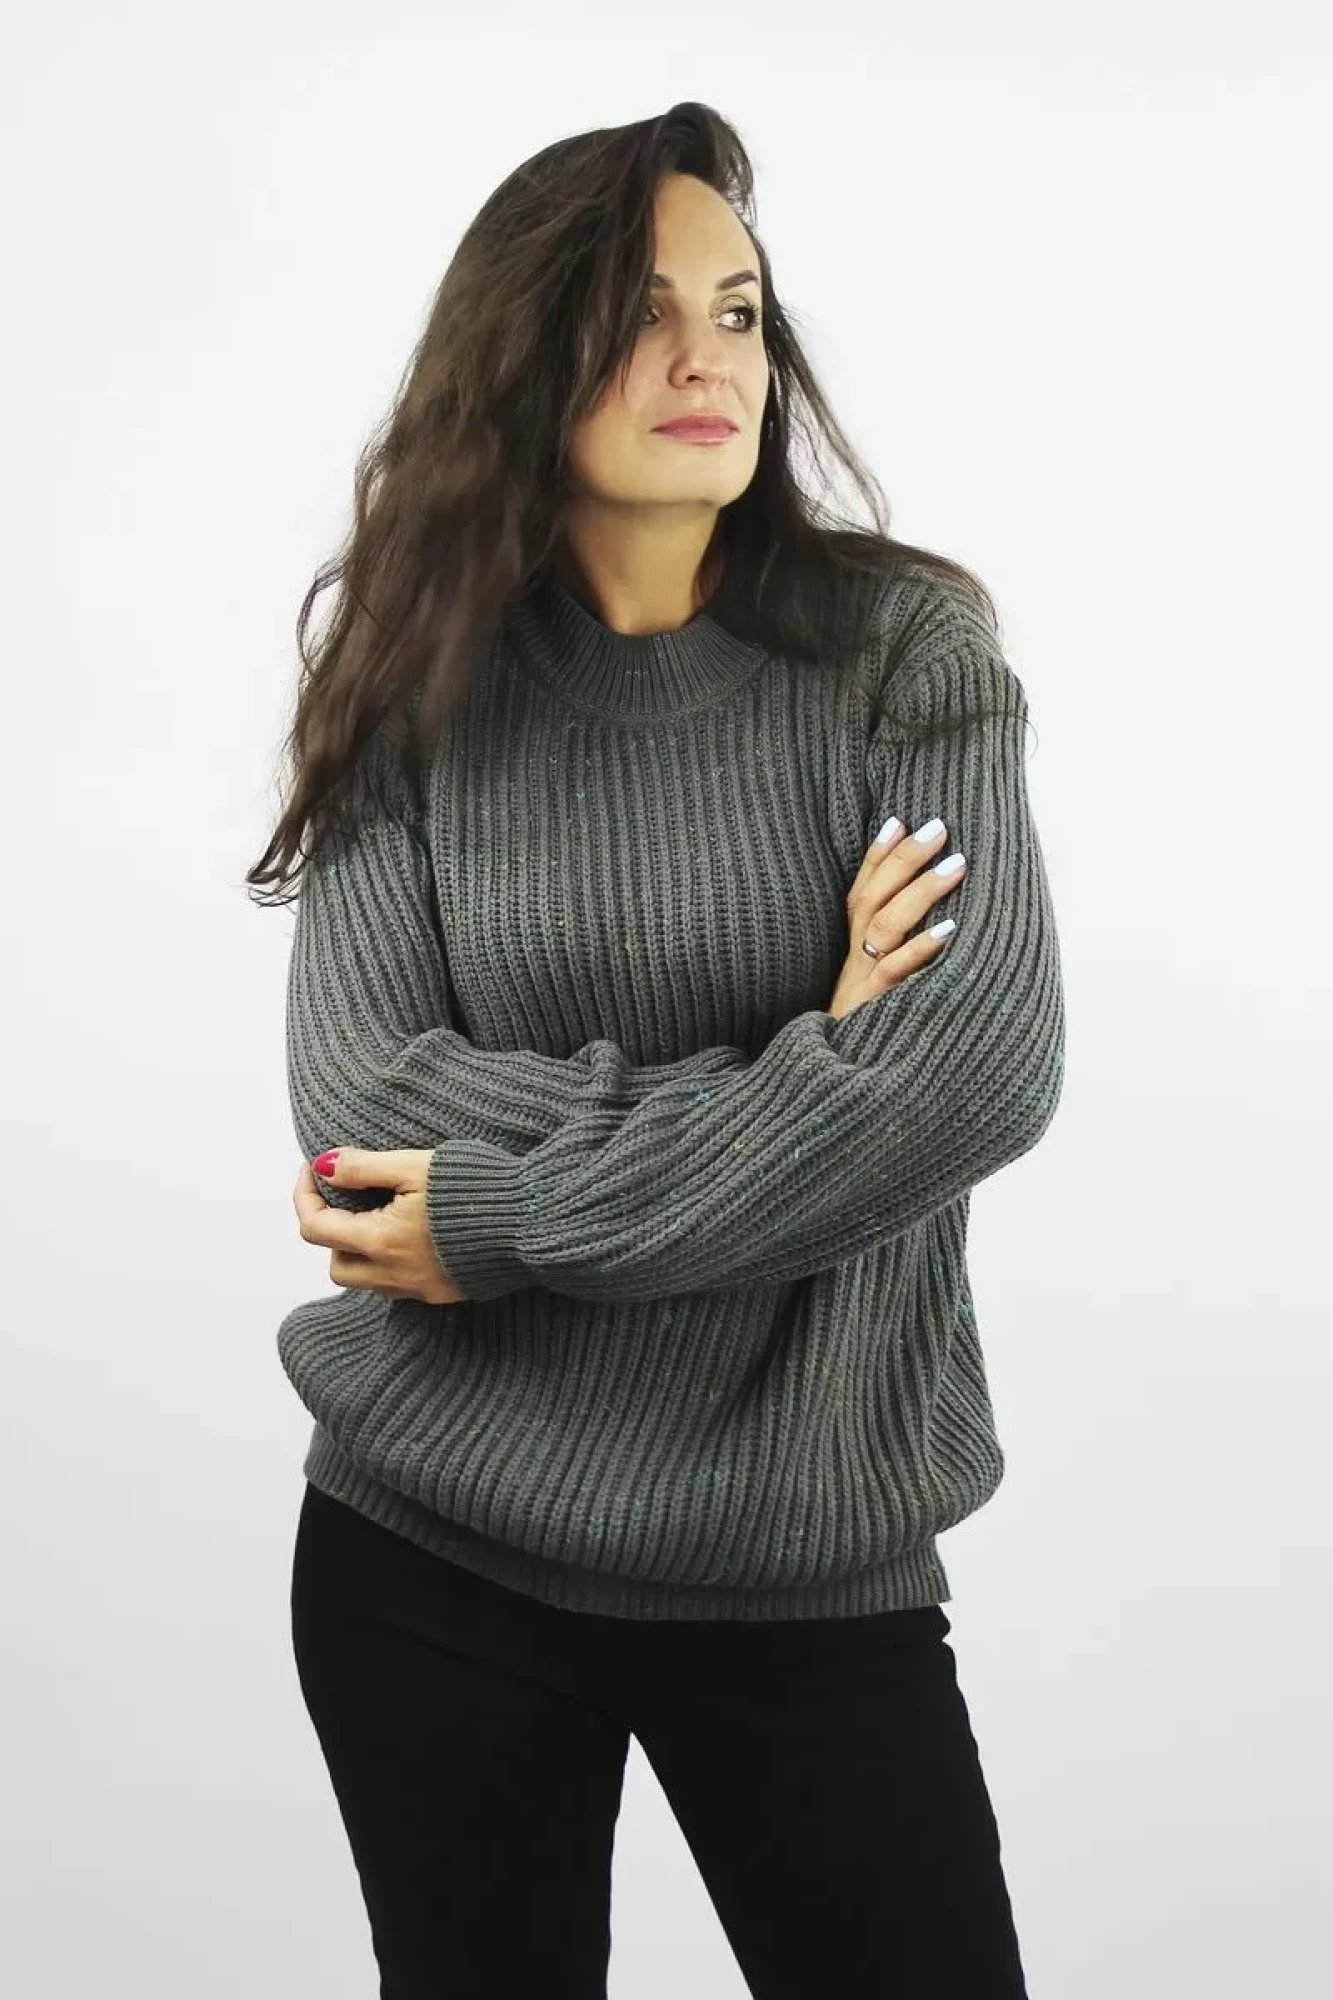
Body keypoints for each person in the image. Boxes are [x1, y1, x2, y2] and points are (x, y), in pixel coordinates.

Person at [248, 101, 1065, 2000]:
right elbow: (365, 1110)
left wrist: (504, 1216)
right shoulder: (413, 674)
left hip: (806, 1564)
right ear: (524, 356)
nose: (712, 361)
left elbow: (976, 1067)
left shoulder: (906, 655)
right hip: (429, 1552)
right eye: (642, 313)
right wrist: (820, 1058)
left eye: (741, 312)